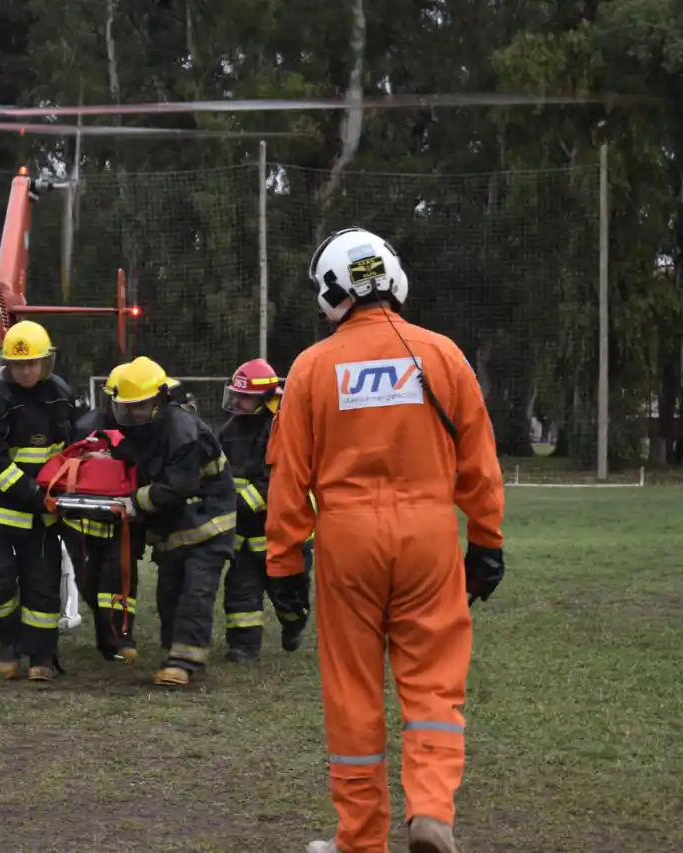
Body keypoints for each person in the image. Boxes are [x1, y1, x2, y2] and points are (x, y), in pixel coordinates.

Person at [263, 227, 505, 853]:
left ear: (329, 291)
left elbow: (290, 479)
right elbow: (478, 459)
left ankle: (360, 841)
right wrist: (485, 541)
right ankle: (430, 811)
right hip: (428, 534)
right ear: (393, 278)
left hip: (347, 540)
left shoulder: (312, 368)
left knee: (352, 691)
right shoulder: (444, 355)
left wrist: (285, 567)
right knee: (432, 686)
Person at [0, 319, 76, 682]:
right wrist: (37, 496)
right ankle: (6, 643)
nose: (25, 371)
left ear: (45, 362)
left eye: (32, 363)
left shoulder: (59, 394)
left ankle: (42, 654)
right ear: (6, 364)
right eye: (18, 364)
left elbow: (67, 449)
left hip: (40, 510)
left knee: (42, 581)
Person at [109, 356, 235, 687]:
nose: (132, 413)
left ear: (160, 400)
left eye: (139, 405)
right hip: (175, 530)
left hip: (209, 525)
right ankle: (175, 650)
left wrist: (134, 502)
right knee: (168, 595)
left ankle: (184, 662)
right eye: (128, 407)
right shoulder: (144, 429)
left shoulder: (182, 429)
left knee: (195, 592)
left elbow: (179, 485)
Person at [215, 357, 308, 662]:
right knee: (241, 590)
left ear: (264, 398)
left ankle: (294, 623)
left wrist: (239, 504)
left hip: (280, 532)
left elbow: (280, 479)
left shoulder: (282, 428)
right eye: (236, 395)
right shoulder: (230, 429)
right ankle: (243, 647)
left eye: (245, 397)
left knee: (287, 593)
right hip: (243, 533)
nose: (238, 402)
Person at [58, 362, 141, 663]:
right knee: (90, 582)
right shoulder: (87, 427)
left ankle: (121, 638)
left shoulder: (142, 429)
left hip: (124, 521)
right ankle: (107, 632)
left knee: (122, 577)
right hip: (84, 522)